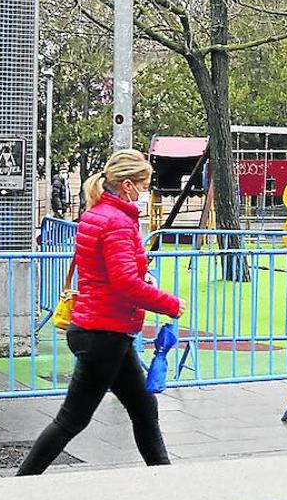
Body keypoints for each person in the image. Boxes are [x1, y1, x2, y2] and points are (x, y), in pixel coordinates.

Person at [18, 149, 183, 475]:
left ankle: (166, 479)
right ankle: (20, 482)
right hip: (104, 331)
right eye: (144, 184)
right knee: (72, 419)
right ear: (127, 185)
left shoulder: (97, 214)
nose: (147, 192)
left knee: (143, 407)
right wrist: (169, 303)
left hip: (102, 328)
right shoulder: (118, 223)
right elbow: (124, 283)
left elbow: (107, 274)